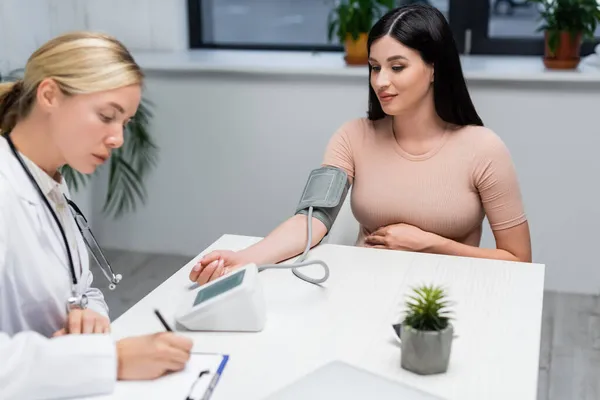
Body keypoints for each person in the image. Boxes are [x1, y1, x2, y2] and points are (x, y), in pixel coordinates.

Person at [190, 4, 532, 286]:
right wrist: (245, 258)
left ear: (434, 69)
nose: (381, 81)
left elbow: (518, 260)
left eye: (397, 67)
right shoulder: (352, 137)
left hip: (444, 301)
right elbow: (312, 220)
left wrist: (430, 244)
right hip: (361, 288)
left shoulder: (484, 149)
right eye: (374, 67)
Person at [0, 32, 193, 399]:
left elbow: (82, 287)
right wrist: (111, 359)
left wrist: (87, 316)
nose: (118, 138)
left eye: (125, 123)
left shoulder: (50, 184)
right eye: (107, 116)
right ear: (50, 95)